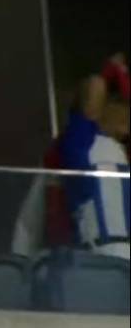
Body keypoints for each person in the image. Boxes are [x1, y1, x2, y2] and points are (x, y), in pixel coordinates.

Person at [57, 53, 130, 259]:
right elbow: (95, 87)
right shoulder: (80, 140)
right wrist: (112, 69)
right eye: (121, 110)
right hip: (100, 254)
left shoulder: (120, 149)